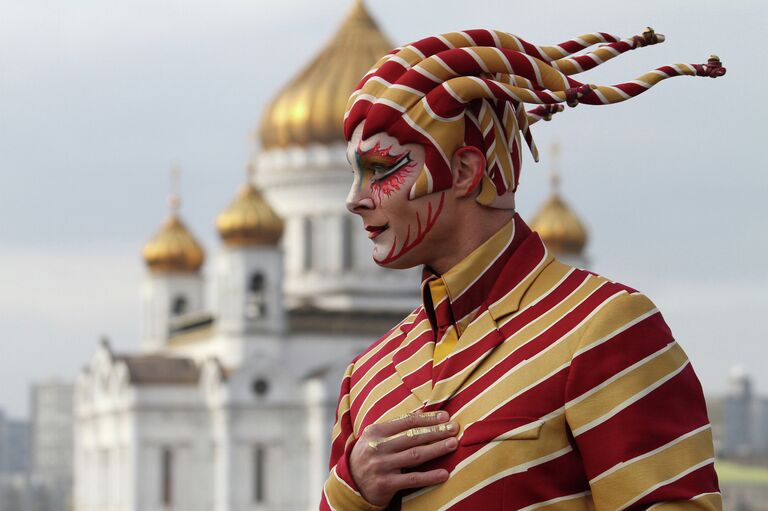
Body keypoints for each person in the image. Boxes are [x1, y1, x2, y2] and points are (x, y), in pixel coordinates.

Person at [320, 28, 725, 511]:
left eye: (382, 169)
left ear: (465, 171)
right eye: (356, 173)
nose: (355, 199)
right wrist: (351, 491)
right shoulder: (367, 375)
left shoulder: (601, 328)